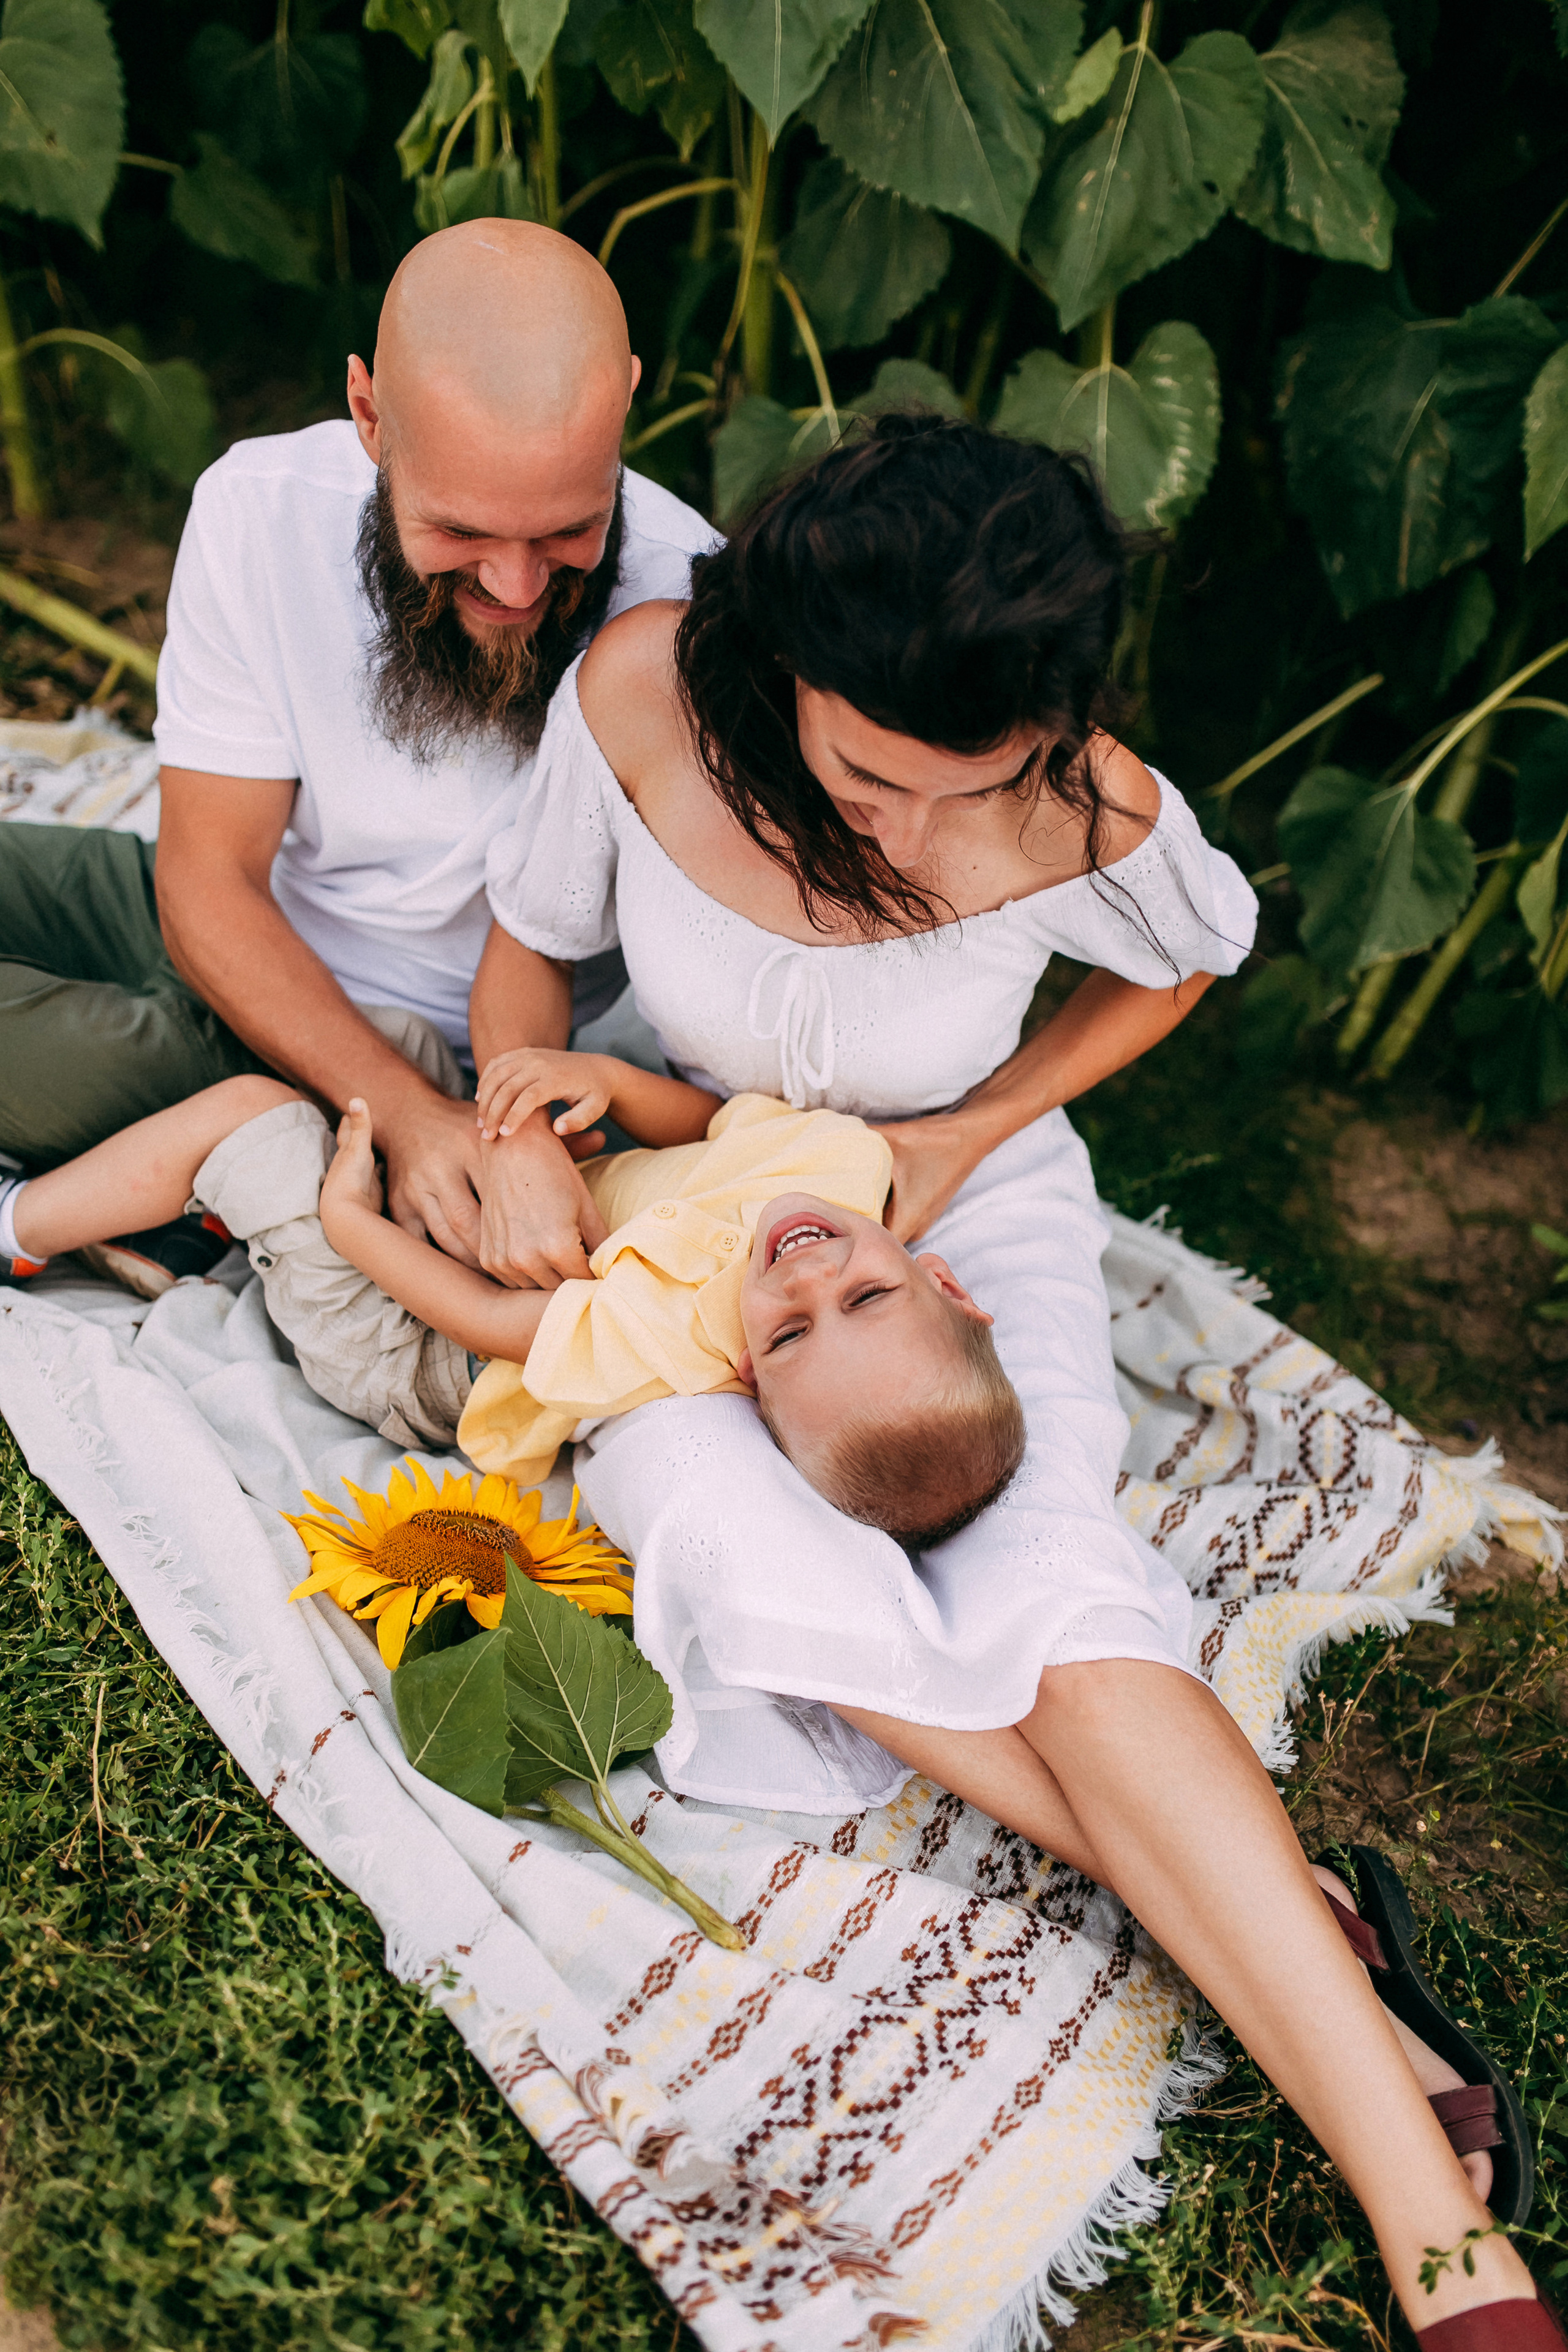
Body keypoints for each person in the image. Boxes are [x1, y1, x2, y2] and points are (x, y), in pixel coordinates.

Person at [468, 412, 1553, 2348]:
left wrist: (980, 1125)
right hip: (708, 1218)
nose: (900, 826)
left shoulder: (1084, 805)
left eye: (953, 786)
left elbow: (1186, 959)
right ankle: (1320, 1949)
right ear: (780, 659)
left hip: (945, 1213)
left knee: (1049, 1571)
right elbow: (526, 962)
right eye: (868, 770)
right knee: (738, 1537)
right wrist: (522, 1123)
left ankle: (1441, 2237)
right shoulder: (638, 689)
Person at [0, 219, 717, 1278]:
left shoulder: (692, 606)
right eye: (462, 534)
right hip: (235, 943)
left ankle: (185, 1172)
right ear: (370, 414)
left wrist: (428, 1116)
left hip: (424, 1050)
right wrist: (404, 1117)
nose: (519, 588)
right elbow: (208, 879)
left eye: (569, 531)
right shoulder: (257, 513)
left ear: (626, 402)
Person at [0, 1054, 1024, 1564]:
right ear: (945, 1282)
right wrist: (605, 1080)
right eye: (867, 1295)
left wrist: (353, 1224)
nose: (806, 1280)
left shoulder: (669, 1338)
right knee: (394, 1052)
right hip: (485, 1236)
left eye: (792, 1334)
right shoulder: (846, 1161)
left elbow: (488, 1325)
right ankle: (186, 1235)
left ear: (749, 1376)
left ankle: (19, 1226)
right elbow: (719, 1128)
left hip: (420, 1348)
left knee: (258, 1120)